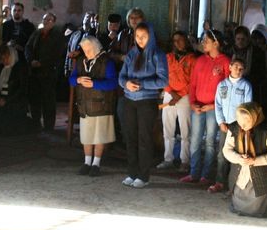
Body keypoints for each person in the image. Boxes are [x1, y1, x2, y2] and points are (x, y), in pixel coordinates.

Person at [118, 22, 168, 188]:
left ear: (151, 37)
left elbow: (163, 80)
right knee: (130, 137)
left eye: (144, 37)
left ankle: (143, 176)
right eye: (137, 36)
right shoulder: (132, 53)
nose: (140, 40)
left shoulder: (158, 54)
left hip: (147, 102)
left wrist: (142, 84)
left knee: (144, 139)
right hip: (129, 100)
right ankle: (132, 173)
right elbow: (121, 76)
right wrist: (126, 83)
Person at [180, 30, 230, 185]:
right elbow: (193, 84)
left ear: (216, 43)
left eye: (206, 41)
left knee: (210, 141)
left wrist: (213, 106)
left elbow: (227, 89)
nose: (203, 43)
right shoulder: (200, 60)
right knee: (195, 139)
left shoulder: (225, 62)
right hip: (198, 107)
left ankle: (205, 175)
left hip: (214, 109)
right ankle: (194, 172)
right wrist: (192, 103)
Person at [70, 35, 118, 177]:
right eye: (84, 50)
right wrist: (78, 80)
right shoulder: (81, 61)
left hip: (102, 105)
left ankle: (96, 163)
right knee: (86, 135)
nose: (86, 52)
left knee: (99, 136)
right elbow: (71, 80)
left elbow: (113, 83)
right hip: (85, 105)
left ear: (96, 47)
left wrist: (94, 84)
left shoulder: (107, 62)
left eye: (89, 49)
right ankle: (87, 162)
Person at [222, 102, 267, 216]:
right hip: (240, 172)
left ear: (254, 118)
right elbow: (226, 150)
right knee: (237, 199)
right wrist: (238, 158)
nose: (242, 126)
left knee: (255, 206)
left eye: (246, 122)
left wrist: (255, 161)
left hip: (259, 176)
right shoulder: (234, 128)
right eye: (240, 121)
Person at [212, 57, 253, 192]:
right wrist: (221, 122)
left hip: (240, 126)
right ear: (230, 67)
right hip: (225, 125)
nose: (238, 70)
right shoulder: (222, 85)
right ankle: (219, 181)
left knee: (237, 156)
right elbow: (218, 105)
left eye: (241, 69)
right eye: (236, 67)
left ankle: (234, 185)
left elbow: (248, 106)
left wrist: (243, 124)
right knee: (222, 154)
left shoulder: (246, 86)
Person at [159, 30, 197, 171]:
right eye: (175, 40)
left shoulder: (192, 59)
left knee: (185, 130)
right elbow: (162, 76)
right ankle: (168, 159)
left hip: (185, 96)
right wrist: (170, 92)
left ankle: (185, 160)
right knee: (167, 128)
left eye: (180, 39)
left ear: (186, 41)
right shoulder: (167, 57)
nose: (177, 43)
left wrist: (179, 95)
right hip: (169, 94)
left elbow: (193, 81)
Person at [25, 12, 66, 134]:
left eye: (49, 20)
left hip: (48, 72)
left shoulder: (58, 36)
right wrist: (31, 60)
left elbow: (58, 53)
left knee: (48, 101)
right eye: (44, 19)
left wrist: (42, 63)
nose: (46, 22)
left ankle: (49, 126)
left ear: (53, 22)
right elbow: (28, 47)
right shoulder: (37, 33)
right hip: (35, 72)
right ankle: (35, 123)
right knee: (35, 99)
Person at [0, 45, 30, 136]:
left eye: (6, 58)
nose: (4, 61)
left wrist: (7, 100)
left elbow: (21, 89)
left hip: (14, 101)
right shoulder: (1, 68)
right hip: (2, 99)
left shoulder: (19, 68)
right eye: (2, 59)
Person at [64, 11, 95, 76]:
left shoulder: (93, 37)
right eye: (87, 17)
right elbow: (68, 50)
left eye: (90, 19)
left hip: (83, 70)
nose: (87, 20)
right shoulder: (75, 34)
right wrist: (66, 67)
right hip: (71, 68)